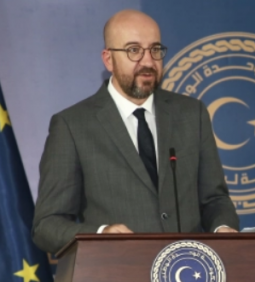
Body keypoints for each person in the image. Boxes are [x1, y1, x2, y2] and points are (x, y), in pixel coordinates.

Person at [32, 10, 239, 254]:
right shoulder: (72, 126)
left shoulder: (192, 114)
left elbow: (214, 199)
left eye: (155, 50)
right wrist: (101, 234)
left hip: (188, 269)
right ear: (108, 59)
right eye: (134, 50)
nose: (148, 62)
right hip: (118, 271)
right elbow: (47, 225)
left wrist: (223, 227)